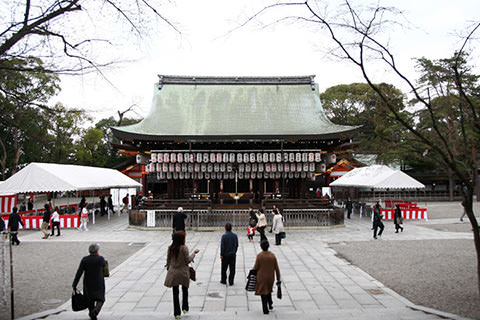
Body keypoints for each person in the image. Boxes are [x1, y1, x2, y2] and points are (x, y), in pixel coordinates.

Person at [164, 231, 199, 319]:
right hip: (183, 272)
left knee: (175, 293)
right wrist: (194, 253)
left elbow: (168, 260)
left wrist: (168, 267)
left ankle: (177, 313)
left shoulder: (170, 248)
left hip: (173, 273)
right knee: (185, 290)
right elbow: (187, 260)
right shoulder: (184, 248)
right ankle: (185, 307)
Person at [72, 243, 108, 320]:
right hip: (98, 282)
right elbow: (106, 270)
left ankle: (92, 313)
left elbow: (79, 272)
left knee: (89, 300)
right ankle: (95, 311)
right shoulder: (100, 259)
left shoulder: (85, 259)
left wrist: (74, 284)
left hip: (88, 283)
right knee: (100, 299)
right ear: (97, 251)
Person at [253, 240, 281, 315]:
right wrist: (278, 279)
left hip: (261, 277)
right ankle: (270, 304)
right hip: (270, 277)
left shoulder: (259, 256)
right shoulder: (272, 255)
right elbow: (277, 269)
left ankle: (265, 309)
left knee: (263, 292)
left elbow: (255, 267)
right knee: (268, 290)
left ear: (261, 247)